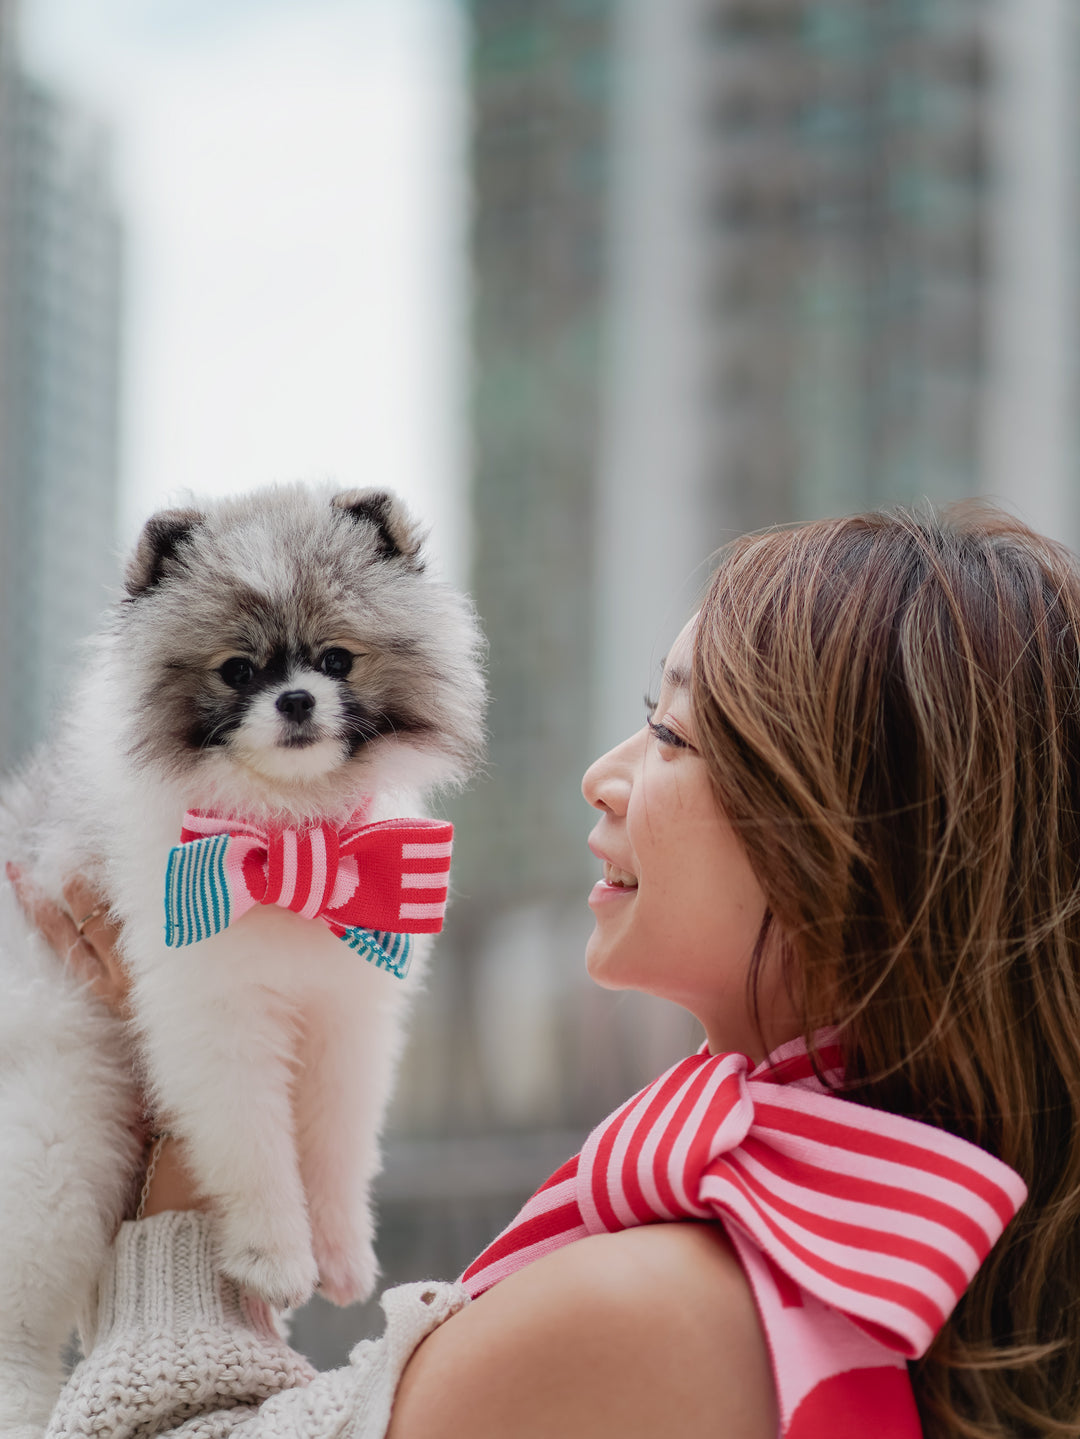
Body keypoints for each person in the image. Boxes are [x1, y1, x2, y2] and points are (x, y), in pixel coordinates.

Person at [12, 504, 1080, 1439]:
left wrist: (179, 1086)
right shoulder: (897, 1229)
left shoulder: (648, 1313)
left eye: (672, 729)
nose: (602, 773)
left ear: (852, 836)